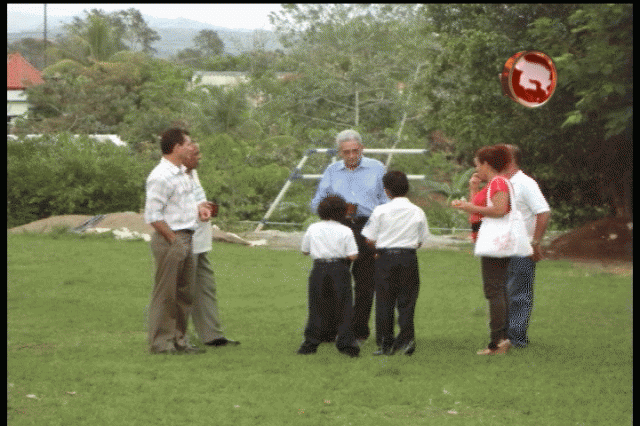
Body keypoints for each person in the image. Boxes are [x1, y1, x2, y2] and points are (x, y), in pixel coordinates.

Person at [310, 129, 388, 343]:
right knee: (333, 280)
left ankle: (359, 331)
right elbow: (316, 201)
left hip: (367, 227)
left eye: (355, 151)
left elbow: (385, 201)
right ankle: (331, 330)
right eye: (346, 152)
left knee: (365, 283)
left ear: (362, 148)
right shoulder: (332, 171)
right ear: (339, 152)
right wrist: (334, 208)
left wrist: (381, 226)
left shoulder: (377, 168)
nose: (351, 156)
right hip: (338, 226)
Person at [144, 127, 209, 354]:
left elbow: (188, 202)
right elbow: (153, 215)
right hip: (171, 239)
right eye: (188, 143)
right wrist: (173, 239)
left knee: (185, 293)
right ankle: (161, 344)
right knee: (166, 293)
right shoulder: (160, 177)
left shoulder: (183, 174)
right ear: (177, 147)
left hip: (187, 236)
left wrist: (200, 209)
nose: (192, 147)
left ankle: (179, 341)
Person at [451, 145, 515, 355]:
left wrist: (470, 207)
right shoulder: (493, 183)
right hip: (489, 241)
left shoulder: (498, 182)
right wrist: (472, 190)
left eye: (477, 164)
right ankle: (502, 339)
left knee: (494, 289)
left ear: (487, 164)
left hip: (494, 243)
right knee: (498, 288)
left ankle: (497, 342)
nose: (476, 168)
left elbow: (499, 210)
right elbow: (477, 213)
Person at [361, 171, 430, 356]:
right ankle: (407, 341)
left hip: (385, 258)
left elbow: (369, 238)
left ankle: (386, 343)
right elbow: (421, 239)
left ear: (387, 191)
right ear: (407, 188)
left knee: (385, 300)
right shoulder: (417, 211)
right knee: (407, 300)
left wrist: (378, 250)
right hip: (408, 257)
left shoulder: (380, 211)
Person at [183, 143, 241, 348]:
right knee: (181, 290)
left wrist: (204, 207)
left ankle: (211, 335)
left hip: (200, 240)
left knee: (205, 287)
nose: (200, 157)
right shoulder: (171, 176)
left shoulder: (192, 173)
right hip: (184, 240)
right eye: (196, 154)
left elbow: (195, 199)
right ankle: (174, 337)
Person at [499, 144, 551, 348]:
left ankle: (516, 338)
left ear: (510, 160)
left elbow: (543, 212)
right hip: (503, 248)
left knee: (519, 294)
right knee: (504, 293)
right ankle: (504, 336)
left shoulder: (525, 183)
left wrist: (535, 241)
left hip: (521, 249)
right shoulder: (502, 183)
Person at [298, 195, 360, 358]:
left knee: (316, 305)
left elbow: (305, 251)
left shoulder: (313, 228)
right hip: (339, 268)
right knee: (344, 306)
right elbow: (353, 255)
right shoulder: (346, 230)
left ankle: (311, 343)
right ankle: (347, 344)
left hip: (319, 268)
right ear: (341, 212)